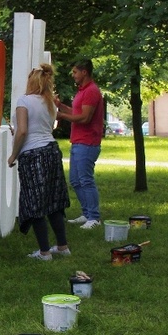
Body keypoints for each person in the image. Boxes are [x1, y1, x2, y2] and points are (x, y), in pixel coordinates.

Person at [7, 63, 71, 261]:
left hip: (33, 155)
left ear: (31, 81)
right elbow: (44, 128)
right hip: (52, 151)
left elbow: (23, 131)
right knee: (53, 201)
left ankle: (44, 252)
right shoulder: (49, 102)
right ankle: (62, 246)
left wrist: (13, 155)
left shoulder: (24, 101)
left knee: (35, 202)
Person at [56, 59, 105, 230]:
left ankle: (94, 217)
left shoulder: (91, 91)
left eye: (75, 72)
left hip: (88, 142)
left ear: (84, 72)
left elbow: (85, 118)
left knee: (85, 180)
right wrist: (60, 106)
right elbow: (76, 112)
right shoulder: (82, 91)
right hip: (78, 141)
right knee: (75, 181)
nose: (73, 75)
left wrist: (62, 116)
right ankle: (86, 213)